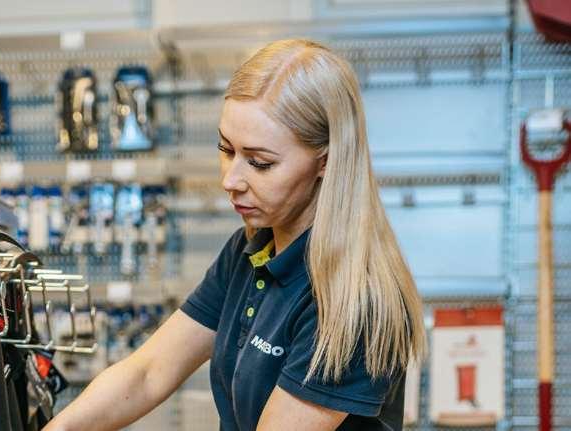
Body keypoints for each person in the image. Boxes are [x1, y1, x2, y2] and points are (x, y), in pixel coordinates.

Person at [43, 39, 426, 431]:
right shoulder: (249, 250)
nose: (230, 180)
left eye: (259, 163)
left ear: (325, 161)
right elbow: (148, 373)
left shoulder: (352, 300)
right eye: (226, 149)